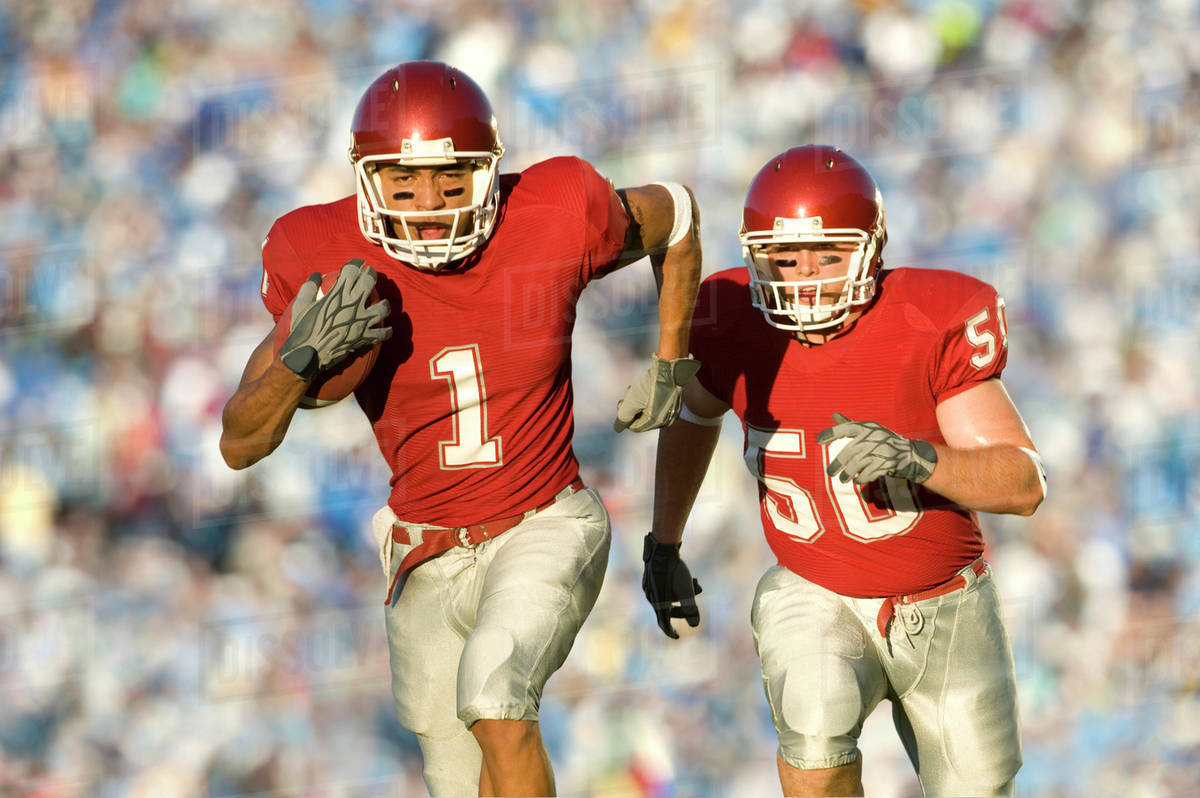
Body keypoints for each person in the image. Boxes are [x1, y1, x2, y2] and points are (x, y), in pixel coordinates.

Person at [219, 60, 702, 796]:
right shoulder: (321, 250)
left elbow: (679, 215)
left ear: (488, 170)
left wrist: (672, 363)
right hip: (425, 551)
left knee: (495, 693)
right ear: (365, 178)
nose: (429, 203)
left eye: (451, 180)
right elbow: (239, 442)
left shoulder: (552, 208)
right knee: (456, 777)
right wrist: (298, 363)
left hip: (544, 520)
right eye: (403, 181)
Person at [643, 145, 1045, 797]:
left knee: (980, 786)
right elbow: (694, 416)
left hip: (943, 600)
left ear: (871, 251)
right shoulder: (730, 317)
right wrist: (663, 543)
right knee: (814, 737)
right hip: (814, 588)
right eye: (785, 257)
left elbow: (1023, 484)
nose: (803, 277)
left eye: (827, 255)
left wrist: (919, 458)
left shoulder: (930, 319)